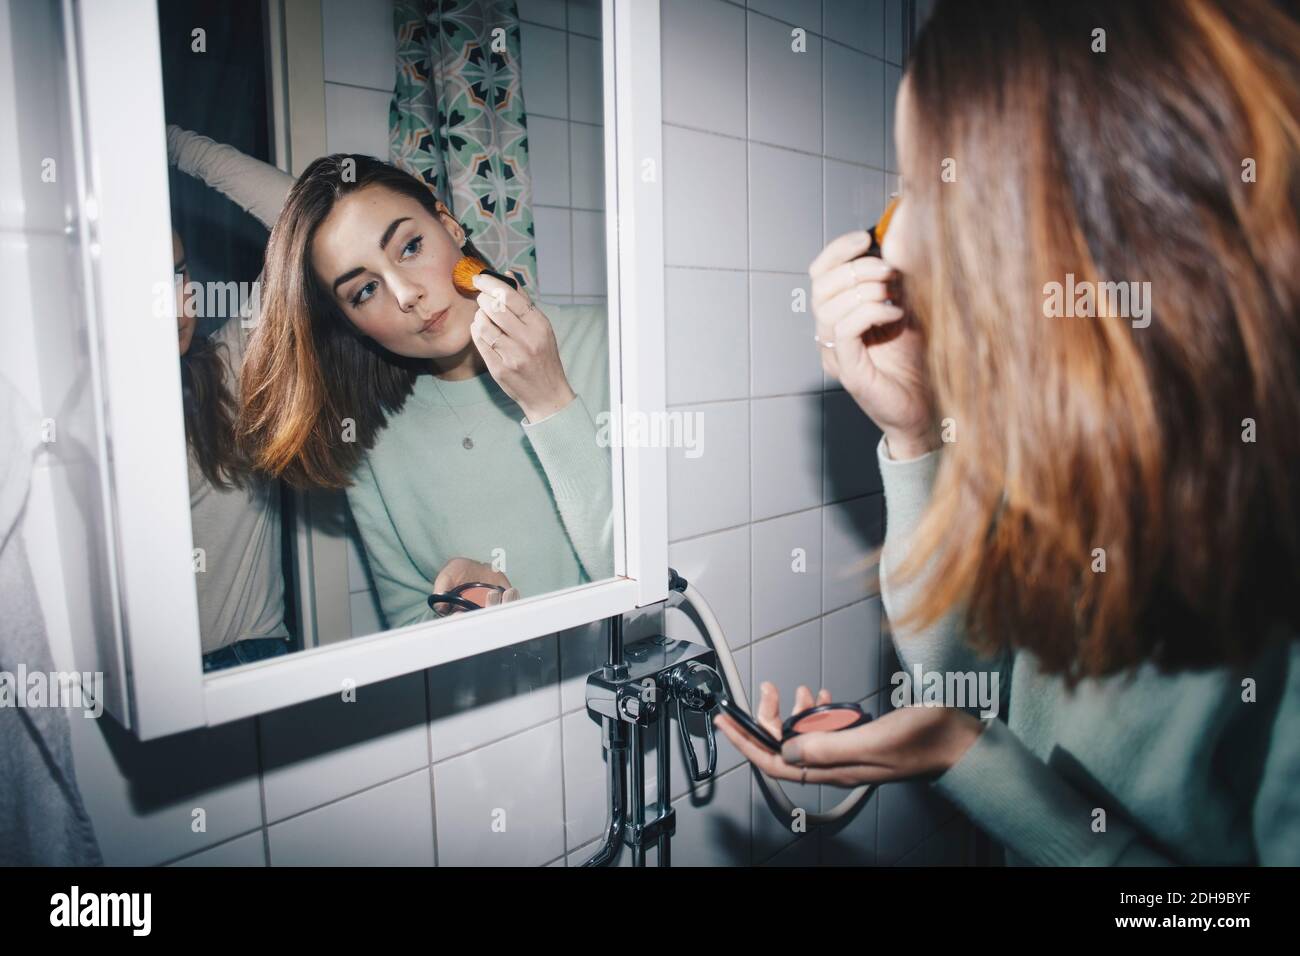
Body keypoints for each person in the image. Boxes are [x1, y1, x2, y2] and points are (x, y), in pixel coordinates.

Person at [716, 0, 1300, 865]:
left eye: (928, 185)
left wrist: (971, 762)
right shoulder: (1066, 445)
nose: (888, 240)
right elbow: (979, 692)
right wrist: (914, 432)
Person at [166, 127, 614, 629]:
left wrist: (551, 401)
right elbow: (407, 633)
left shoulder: (606, 344)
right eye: (363, 291)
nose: (404, 294)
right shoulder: (368, 437)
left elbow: (652, 585)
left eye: (410, 246)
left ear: (449, 224)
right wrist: (455, 612)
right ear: (348, 320)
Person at [173, 228, 291, 671]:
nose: (175, 304)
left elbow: (300, 217)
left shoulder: (227, 370)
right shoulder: (94, 417)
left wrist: (181, 154)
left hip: (252, 655)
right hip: (150, 683)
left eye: (179, 275)